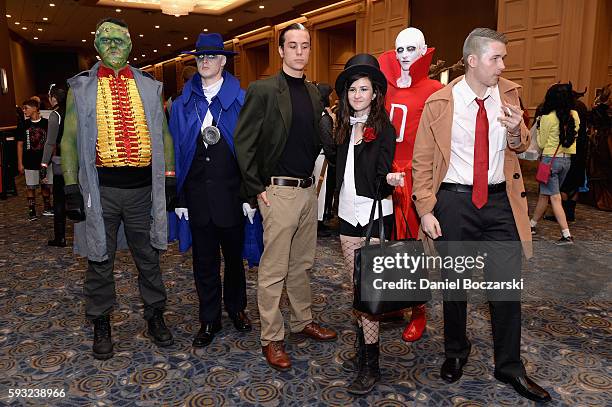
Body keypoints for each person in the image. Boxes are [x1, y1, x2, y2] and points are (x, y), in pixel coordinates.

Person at [412, 28, 551, 403]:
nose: (503, 66)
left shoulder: (509, 94)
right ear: (473, 61)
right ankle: (456, 352)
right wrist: (425, 208)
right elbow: (422, 162)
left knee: (505, 290)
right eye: (496, 58)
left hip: (499, 204)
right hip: (454, 204)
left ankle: (510, 367)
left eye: (503, 59)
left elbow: (524, 146)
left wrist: (515, 130)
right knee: (455, 287)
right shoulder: (441, 102)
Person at [60, 17, 176, 360]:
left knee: (149, 257)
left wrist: (168, 178)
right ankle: (101, 321)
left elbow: (165, 136)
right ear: (96, 46)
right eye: (106, 40)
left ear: (130, 45)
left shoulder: (150, 87)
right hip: (102, 192)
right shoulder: (80, 88)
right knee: (99, 258)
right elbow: (68, 139)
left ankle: (155, 315)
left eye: (120, 40)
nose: (113, 46)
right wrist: (70, 187)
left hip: (143, 192)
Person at [234, 22, 337, 372]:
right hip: (277, 192)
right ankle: (272, 337)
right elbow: (243, 142)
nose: (298, 52)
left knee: (302, 264)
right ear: (280, 51)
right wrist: (256, 188)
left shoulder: (312, 93)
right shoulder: (263, 90)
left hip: (308, 192)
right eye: (291, 45)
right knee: (274, 270)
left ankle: (302, 320)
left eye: (304, 46)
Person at [169, 33, 252, 348]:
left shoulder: (241, 100)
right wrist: (180, 196)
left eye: (211, 56)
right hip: (197, 197)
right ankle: (209, 318)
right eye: (200, 57)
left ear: (223, 61)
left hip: (231, 195)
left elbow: (249, 153)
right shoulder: (181, 104)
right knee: (203, 262)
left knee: (234, 260)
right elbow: (177, 149)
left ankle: (237, 309)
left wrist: (248, 194)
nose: (205, 61)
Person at [332, 53, 400, 394]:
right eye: (352, 89)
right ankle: (364, 350)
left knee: (369, 291)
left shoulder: (384, 128)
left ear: (375, 93)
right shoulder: (341, 127)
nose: (357, 95)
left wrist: (389, 178)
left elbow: (379, 175)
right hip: (347, 217)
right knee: (357, 290)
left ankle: (371, 364)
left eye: (364, 89)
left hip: (374, 216)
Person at [378, 27, 443, 343]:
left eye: (411, 49)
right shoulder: (384, 87)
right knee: (385, 244)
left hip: (415, 178)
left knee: (413, 249)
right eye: (399, 49)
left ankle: (419, 312)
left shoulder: (434, 89)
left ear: (424, 50)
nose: (404, 55)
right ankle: (395, 302)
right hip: (385, 176)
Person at [529, 83, 579, 244]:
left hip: (550, 161)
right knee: (546, 194)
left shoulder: (547, 117)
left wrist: (538, 128)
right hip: (566, 161)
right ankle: (531, 225)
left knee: (555, 198)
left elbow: (542, 143)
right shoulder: (575, 115)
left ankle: (566, 234)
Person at [40, 85, 68, 246]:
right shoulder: (74, 111)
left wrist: (44, 164)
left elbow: (50, 143)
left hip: (61, 160)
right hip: (80, 160)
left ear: (54, 98)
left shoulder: (55, 115)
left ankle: (60, 237)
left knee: (59, 199)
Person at [17, 98, 51, 220]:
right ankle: (32, 211)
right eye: (23, 108)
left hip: (45, 160)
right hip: (29, 161)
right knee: (30, 186)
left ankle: (47, 207)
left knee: (46, 185)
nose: (24, 111)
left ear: (35, 108)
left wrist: (52, 158)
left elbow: (52, 142)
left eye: (26, 108)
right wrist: (20, 163)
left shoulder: (46, 123)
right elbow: (20, 144)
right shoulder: (24, 124)